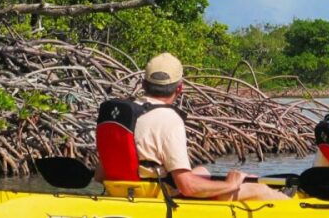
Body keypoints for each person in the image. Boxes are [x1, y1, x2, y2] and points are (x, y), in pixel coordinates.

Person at [94, 52, 288, 201]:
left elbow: (100, 175)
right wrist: (231, 184)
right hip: (155, 197)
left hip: (124, 189)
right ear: (180, 88)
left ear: (144, 84)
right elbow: (188, 187)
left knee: (203, 171)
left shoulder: (124, 114)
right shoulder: (168, 119)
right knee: (259, 189)